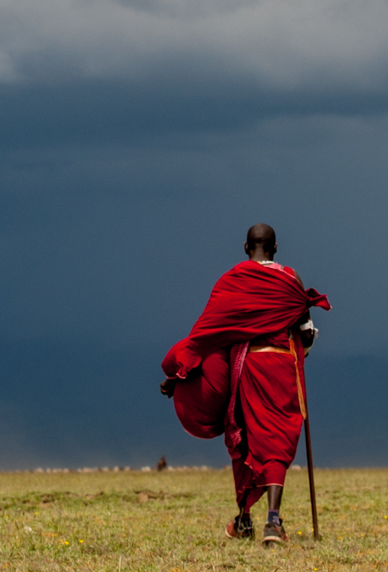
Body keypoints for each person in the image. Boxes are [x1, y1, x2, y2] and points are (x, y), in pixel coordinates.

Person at [160, 224, 329, 546]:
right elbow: (306, 333)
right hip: (281, 365)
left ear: (245, 247)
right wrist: (301, 348)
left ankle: (244, 519)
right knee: (278, 439)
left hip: (245, 366)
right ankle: (272, 521)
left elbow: (208, 334)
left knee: (246, 438)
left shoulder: (231, 281)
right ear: (275, 247)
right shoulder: (290, 279)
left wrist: (178, 374)